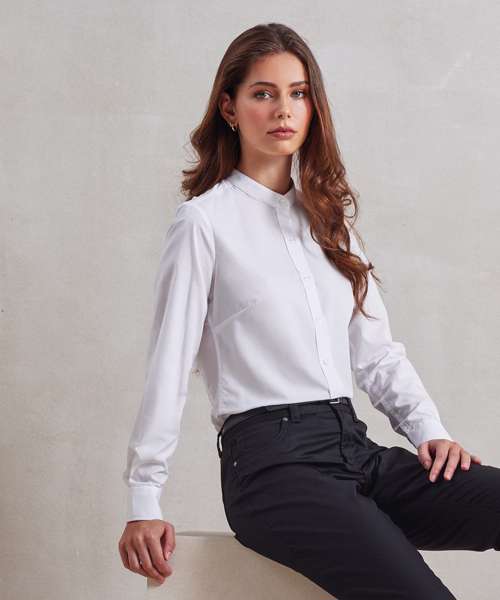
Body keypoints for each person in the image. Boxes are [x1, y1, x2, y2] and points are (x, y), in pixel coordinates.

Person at [118, 23, 499, 599]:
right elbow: (168, 364)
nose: (283, 109)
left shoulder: (330, 223)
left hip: (354, 448)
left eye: (298, 93)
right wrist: (144, 498)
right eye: (263, 93)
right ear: (229, 107)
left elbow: (376, 355)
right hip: (272, 470)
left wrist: (430, 431)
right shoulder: (204, 223)